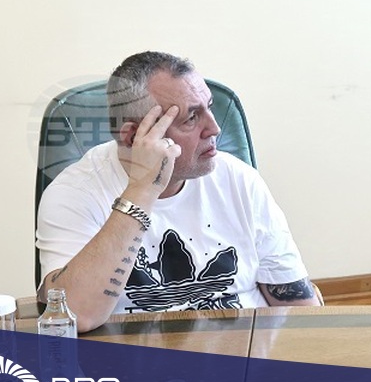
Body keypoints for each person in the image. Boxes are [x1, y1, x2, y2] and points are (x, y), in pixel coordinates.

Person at [36, 51, 322, 333]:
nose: (214, 128)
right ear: (135, 137)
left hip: (246, 352)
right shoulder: (75, 193)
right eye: (191, 118)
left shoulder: (239, 179)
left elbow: (300, 308)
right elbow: (76, 316)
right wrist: (142, 189)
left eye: (209, 107)